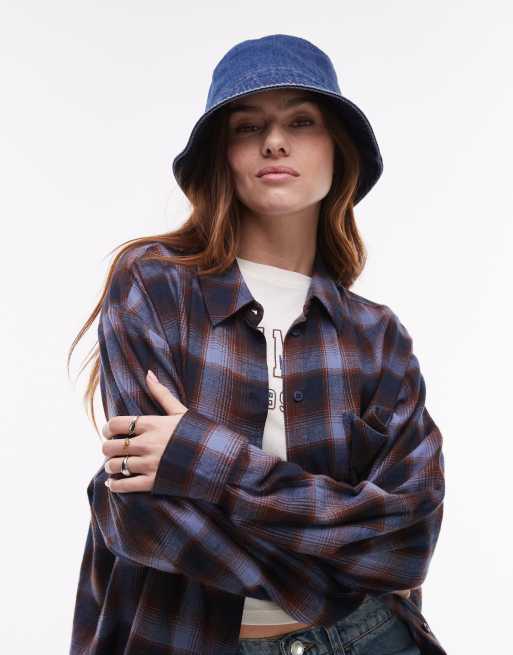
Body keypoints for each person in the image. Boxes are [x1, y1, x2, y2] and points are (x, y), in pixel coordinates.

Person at [68, 34, 446, 655]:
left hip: (372, 639)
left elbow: (406, 540)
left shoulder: (378, 337)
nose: (275, 141)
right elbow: (143, 512)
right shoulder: (155, 286)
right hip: (185, 638)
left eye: (301, 121)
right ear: (222, 155)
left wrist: (205, 460)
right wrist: (339, 574)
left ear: (338, 150)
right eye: (248, 127)